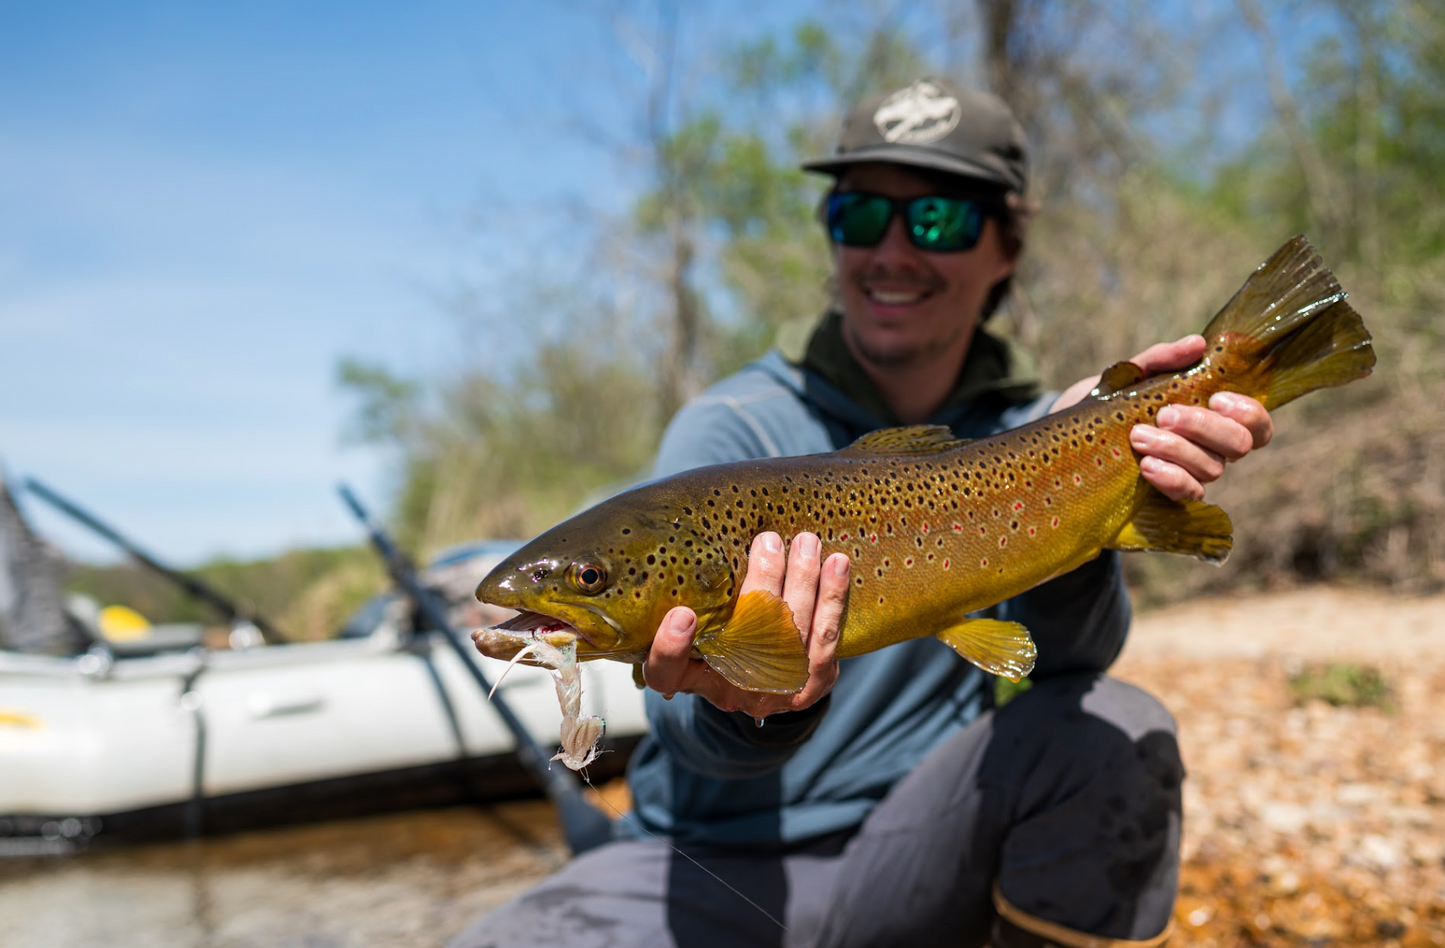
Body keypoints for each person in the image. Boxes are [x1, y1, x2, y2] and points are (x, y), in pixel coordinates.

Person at [451, 77, 1272, 948]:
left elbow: (1071, 667)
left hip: (917, 850)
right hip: (706, 865)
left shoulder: (1037, 429)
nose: (892, 249)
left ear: (1006, 247)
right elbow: (683, 728)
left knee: (1118, 732)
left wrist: (1102, 472)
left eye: (937, 221)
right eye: (859, 215)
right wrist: (754, 703)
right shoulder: (732, 432)